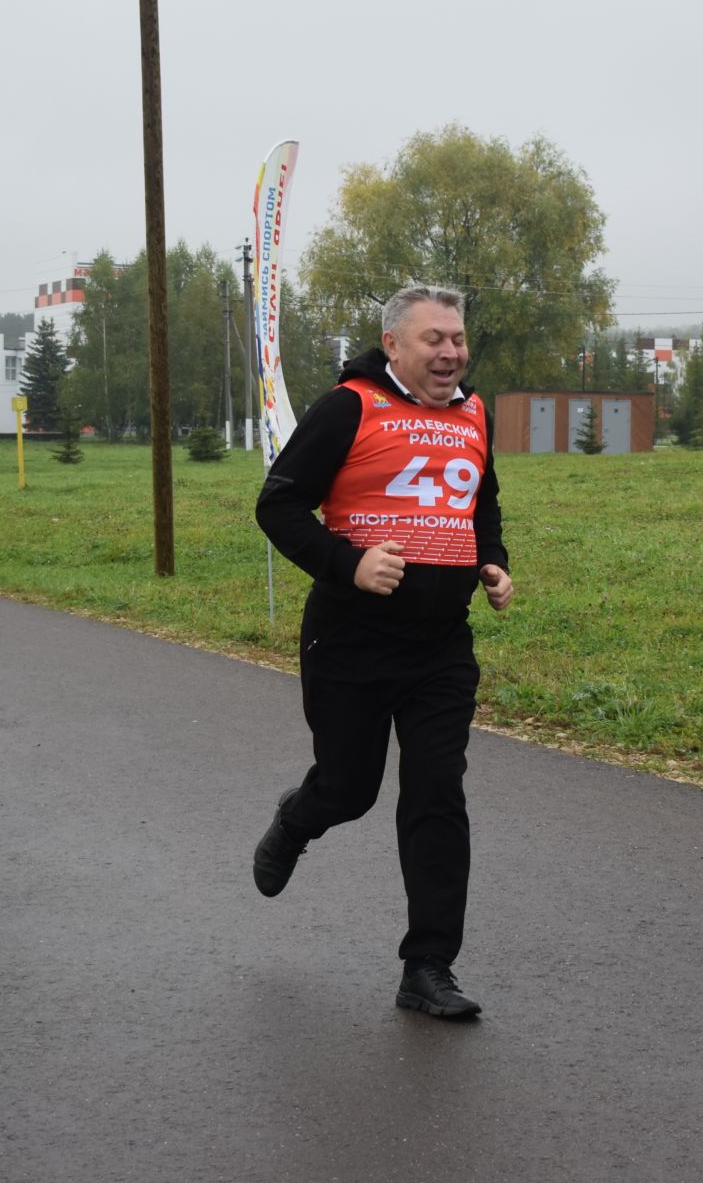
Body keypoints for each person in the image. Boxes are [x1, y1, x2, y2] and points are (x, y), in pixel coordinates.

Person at [252, 284, 513, 1019]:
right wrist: (350, 564)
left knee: (436, 794)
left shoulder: (473, 412)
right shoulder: (349, 407)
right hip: (350, 640)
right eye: (434, 339)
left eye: (458, 338)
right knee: (351, 788)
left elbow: (478, 501)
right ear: (394, 345)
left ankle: (428, 966)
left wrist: (490, 559)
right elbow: (277, 503)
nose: (452, 352)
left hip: (440, 648)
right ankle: (299, 817)